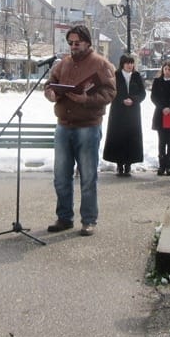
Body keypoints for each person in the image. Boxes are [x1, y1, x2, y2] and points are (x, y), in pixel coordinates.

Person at [43, 25, 116, 236]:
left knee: (88, 176)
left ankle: (88, 220)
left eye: (77, 43)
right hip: (64, 125)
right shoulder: (63, 63)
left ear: (87, 43)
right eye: (70, 43)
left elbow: (110, 92)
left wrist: (87, 99)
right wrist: (51, 93)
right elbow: (50, 84)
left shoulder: (101, 64)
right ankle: (64, 218)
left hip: (88, 127)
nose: (73, 47)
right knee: (61, 176)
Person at [103, 54, 146, 176]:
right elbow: (111, 91)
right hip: (118, 111)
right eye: (127, 63)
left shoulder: (137, 76)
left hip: (133, 112)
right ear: (122, 64)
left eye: (132, 63)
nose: (130, 65)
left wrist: (133, 99)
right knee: (118, 136)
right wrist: (122, 99)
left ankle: (129, 163)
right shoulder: (116, 75)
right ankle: (119, 164)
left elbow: (142, 93)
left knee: (131, 136)